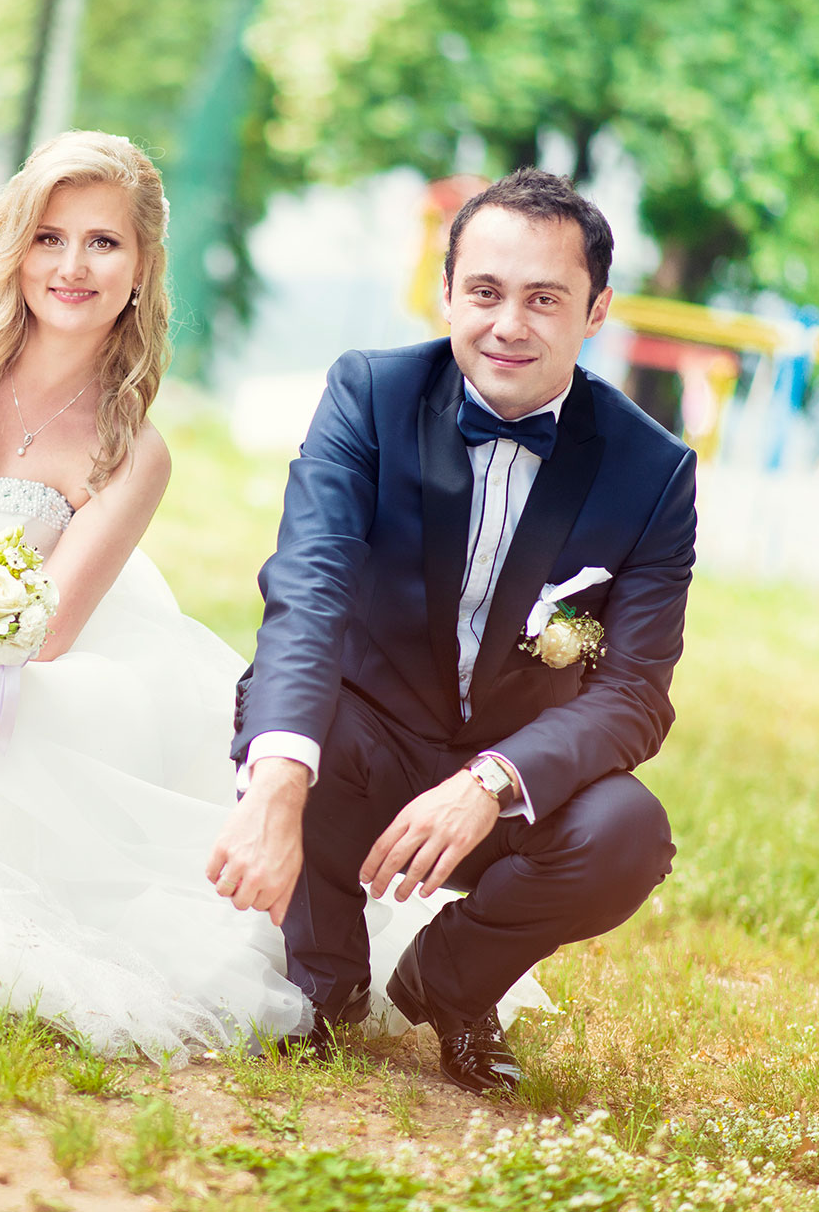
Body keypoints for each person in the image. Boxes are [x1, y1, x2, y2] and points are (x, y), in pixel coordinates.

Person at [0, 131, 546, 1065]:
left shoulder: (131, 450)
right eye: (50, 237)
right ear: (16, 244)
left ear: (143, 265)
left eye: (104, 243)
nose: (72, 266)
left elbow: (52, 630)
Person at [209, 168, 694, 1093]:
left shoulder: (654, 470)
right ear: (446, 293)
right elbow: (308, 591)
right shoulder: (370, 396)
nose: (509, 323)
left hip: (509, 780)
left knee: (628, 828)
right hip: (368, 745)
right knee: (289, 727)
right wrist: (273, 785)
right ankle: (322, 984)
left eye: (544, 298)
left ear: (596, 312)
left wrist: (490, 779)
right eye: (485, 291)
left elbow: (634, 693)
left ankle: (452, 981)